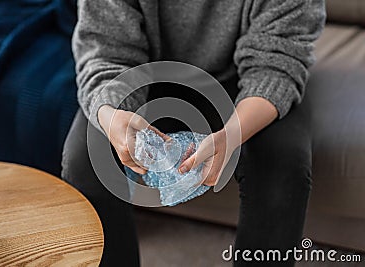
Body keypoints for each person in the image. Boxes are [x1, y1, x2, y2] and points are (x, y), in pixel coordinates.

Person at [62, 0, 326, 266]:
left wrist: (233, 134)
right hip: (144, 74)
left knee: (281, 166)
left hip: (244, 77)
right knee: (86, 164)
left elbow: (276, 63)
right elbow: (107, 50)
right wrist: (112, 115)